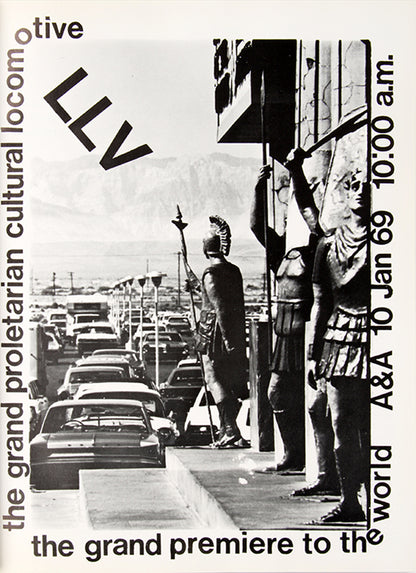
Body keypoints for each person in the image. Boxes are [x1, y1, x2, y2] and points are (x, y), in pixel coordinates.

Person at [290, 115, 369, 522]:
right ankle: (349, 500)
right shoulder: (327, 243)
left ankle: (378, 500)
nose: (362, 192)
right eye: (355, 185)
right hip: (339, 339)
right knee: (341, 422)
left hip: (376, 336)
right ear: (346, 191)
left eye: (369, 185)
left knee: (373, 425)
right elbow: (321, 302)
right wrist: (313, 353)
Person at [250, 160, 319, 472]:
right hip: (283, 337)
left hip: (305, 335)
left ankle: (311, 459)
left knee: (311, 400)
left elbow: (311, 216)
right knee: (276, 394)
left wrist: (297, 174)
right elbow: (256, 226)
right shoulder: (281, 252)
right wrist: (258, 188)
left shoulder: (315, 249)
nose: (290, 219)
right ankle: (293, 454)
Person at [196, 215, 249, 448]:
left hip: (214, 335)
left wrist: (227, 341)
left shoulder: (211, 273)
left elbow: (220, 308)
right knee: (225, 380)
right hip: (231, 332)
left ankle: (229, 428)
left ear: (206, 248)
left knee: (215, 379)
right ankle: (225, 428)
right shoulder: (234, 270)